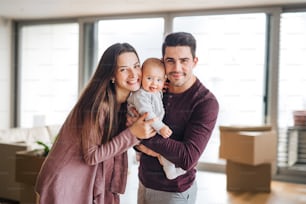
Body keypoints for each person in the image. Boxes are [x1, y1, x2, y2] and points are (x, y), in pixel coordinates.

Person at [35, 43, 156, 204]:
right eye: (123, 69)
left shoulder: (127, 104)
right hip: (64, 183)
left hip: (84, 180)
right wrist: (133, 133)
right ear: (111, 75)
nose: (134, 74)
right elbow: (92, 156)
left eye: (136, 66)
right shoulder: (98, 106)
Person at [136, 32, 219, 204]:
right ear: (163, 61)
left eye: (184, 61)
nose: (176, 68)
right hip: (143, 183)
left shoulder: (205, 103)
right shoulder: (156, 89)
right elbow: (130, 128)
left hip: (174, 192)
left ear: (195, 61)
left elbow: (187, 158)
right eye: (170, 61)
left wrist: (143, 135)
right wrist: (136, 138)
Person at [127, 57, 186, 180]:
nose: (154, 83)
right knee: (164, 150)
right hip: (145, 127)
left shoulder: (155, 91)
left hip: (150, 127)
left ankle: (163, 164)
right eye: (149, 78)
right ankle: (171, 173)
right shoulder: (140, 95)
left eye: (158, 80)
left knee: (159, 152)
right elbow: (147, 113)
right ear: (141, 76)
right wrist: (161, 127)